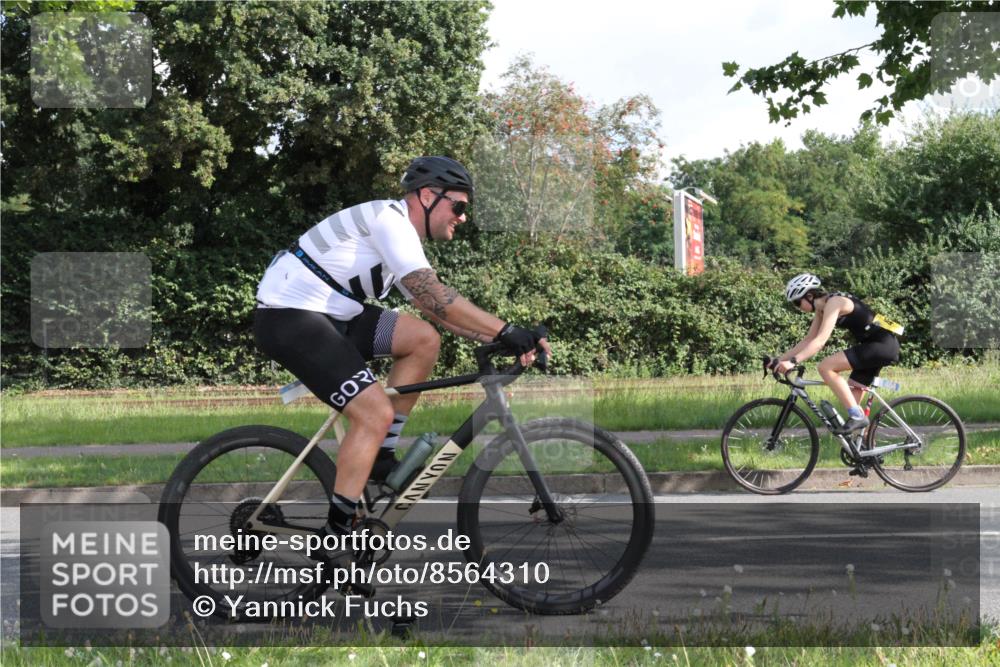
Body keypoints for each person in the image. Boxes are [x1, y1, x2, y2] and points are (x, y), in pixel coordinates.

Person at [253, 156, 551, 544]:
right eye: (458, 206)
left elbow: (436, 312)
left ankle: (381, 456)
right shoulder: (389, 221)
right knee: (373, 412)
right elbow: (436, 295)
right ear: (427, 195)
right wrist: (508, 330)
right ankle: (338, 536)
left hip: (332, 313)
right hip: (290, 316)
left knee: (422, 339)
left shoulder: (402, 240)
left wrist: (499, 339)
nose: (462, 217)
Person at [772, 273, 902, 433]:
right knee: (854, 392)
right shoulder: (822, 309)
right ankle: (863, 447)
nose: (797, 307)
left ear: (810, 296)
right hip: (873, 345)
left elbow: (819, 341)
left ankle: (858, 417)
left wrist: (792, 362)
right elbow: (808, 340)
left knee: (826, 367)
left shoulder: (834, 303)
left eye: (797, 302)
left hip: (882, 345)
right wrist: (778, 360)